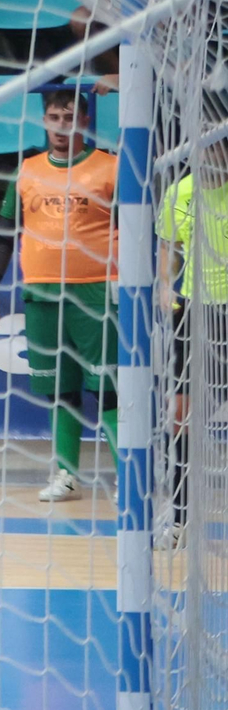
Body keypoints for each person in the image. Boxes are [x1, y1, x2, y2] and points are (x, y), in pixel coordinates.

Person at [0, 92, 120, 503]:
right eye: (53, 117)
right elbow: (5, 231)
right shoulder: (27, 171)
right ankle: (66, 476)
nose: (60, 125)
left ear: (84, 120)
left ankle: (131, 479)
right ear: (44, 121)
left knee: (109, 388)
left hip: (98, 292)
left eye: (69, 117)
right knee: (61, 389)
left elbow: (135, 227)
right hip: (41, 294)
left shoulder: (110, 168)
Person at [155, 146, 228, 547]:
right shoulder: (178, 193)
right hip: (194, 314)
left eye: (215, 145)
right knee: (180, 416)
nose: (209, 155)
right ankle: (180, 518)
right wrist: (166, 285)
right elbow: (169, 246)